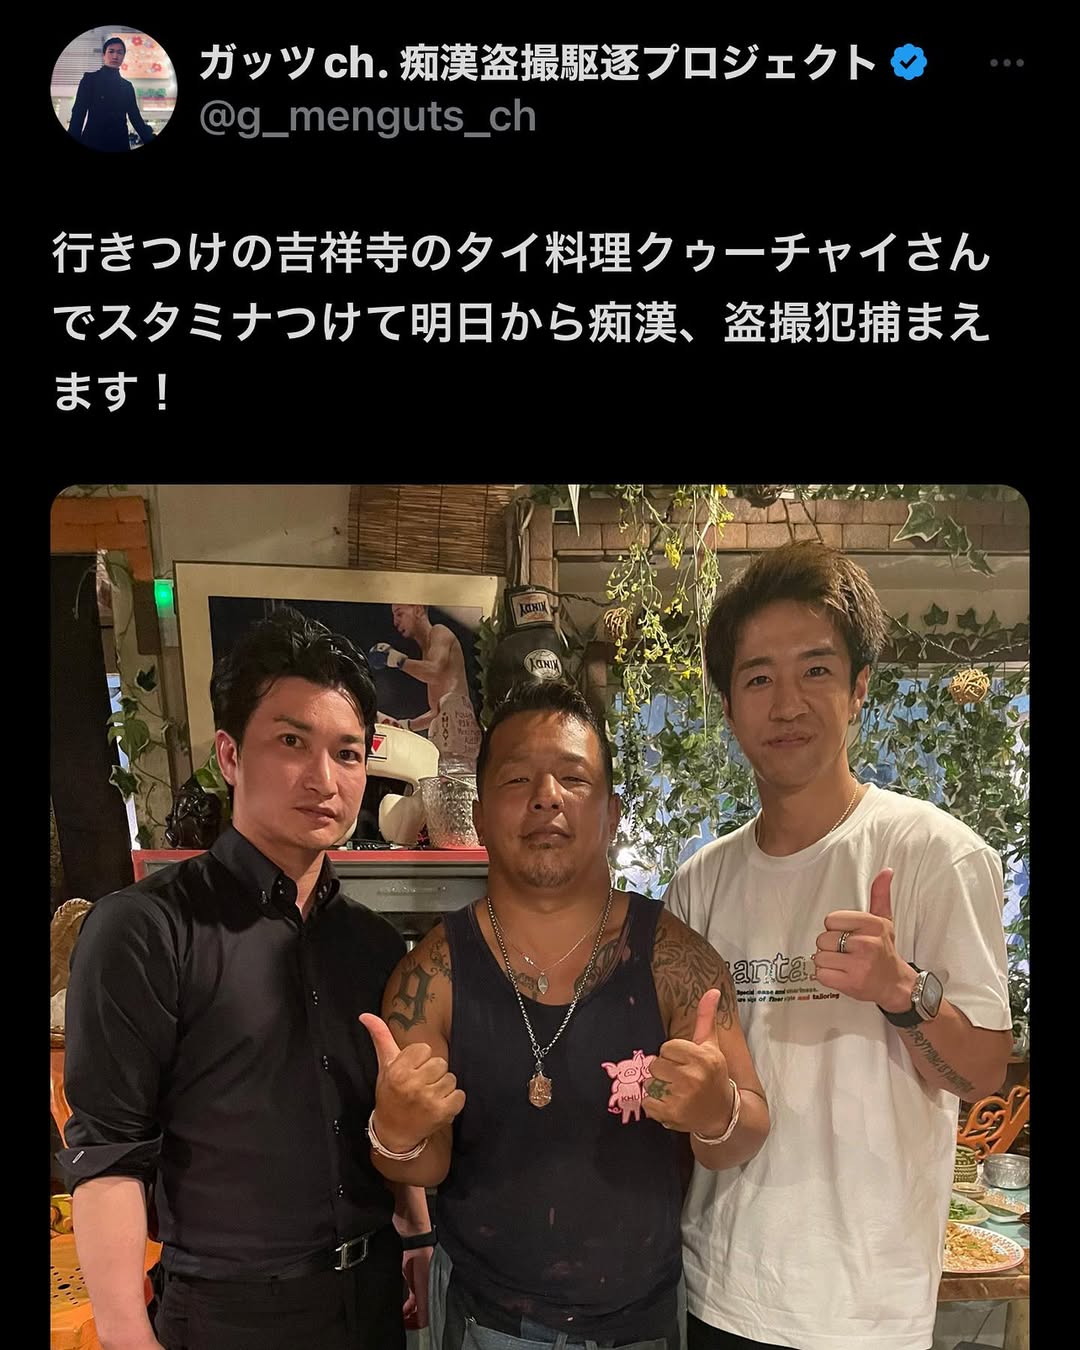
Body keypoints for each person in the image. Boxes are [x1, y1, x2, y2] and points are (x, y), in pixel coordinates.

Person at [665, 541, 1012, 1350]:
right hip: (722, 1288)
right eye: (758, 679)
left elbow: (984, 1072)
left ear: (859, 689)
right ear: (729, 708)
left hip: (866, 1310)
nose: (787, 703)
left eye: (816, 670)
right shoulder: (699, 884)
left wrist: (901, 992)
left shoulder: (936, 855)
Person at [59, 608, 432, 1350]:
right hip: (229, 1314)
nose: (323, 779)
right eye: (291, 742)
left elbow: (387, 1109)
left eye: (347, 753)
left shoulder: (373, 944)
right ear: (230, 755)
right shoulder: (145, 929)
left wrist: (417, 1238)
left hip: (369, 1299)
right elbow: (107, 1153)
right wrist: (126, 1336)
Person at [359, 678, 771, 1349]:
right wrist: (396, 1134)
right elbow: (423, 1164)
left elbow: (747, 1128)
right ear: (480, 817)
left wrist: (715, 1110)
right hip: (485, 1322)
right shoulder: (431, 976)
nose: (546, 796)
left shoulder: (676, 960)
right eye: (517, 778)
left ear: (612, 814)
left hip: (641, 1325)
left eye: (573, 779)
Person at [369, 604, 482, 772]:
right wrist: (407, 725)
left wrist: (396, 659)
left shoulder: (439, 632)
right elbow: (438, 711)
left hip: (459, 734)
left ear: (418, 610)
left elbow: (434, 672)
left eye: (399, 614)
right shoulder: (427, 650)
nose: (395, 622)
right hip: (448, 733)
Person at [68, 37, 155, 152]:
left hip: (119, 144)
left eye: (120, 52)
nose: (115, 56)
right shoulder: (90, 80)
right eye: (111, 51)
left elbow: (135, 117)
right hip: (93, 141)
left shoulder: (127, 86)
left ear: (123, 57)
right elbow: (78, 113)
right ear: (104, 55)